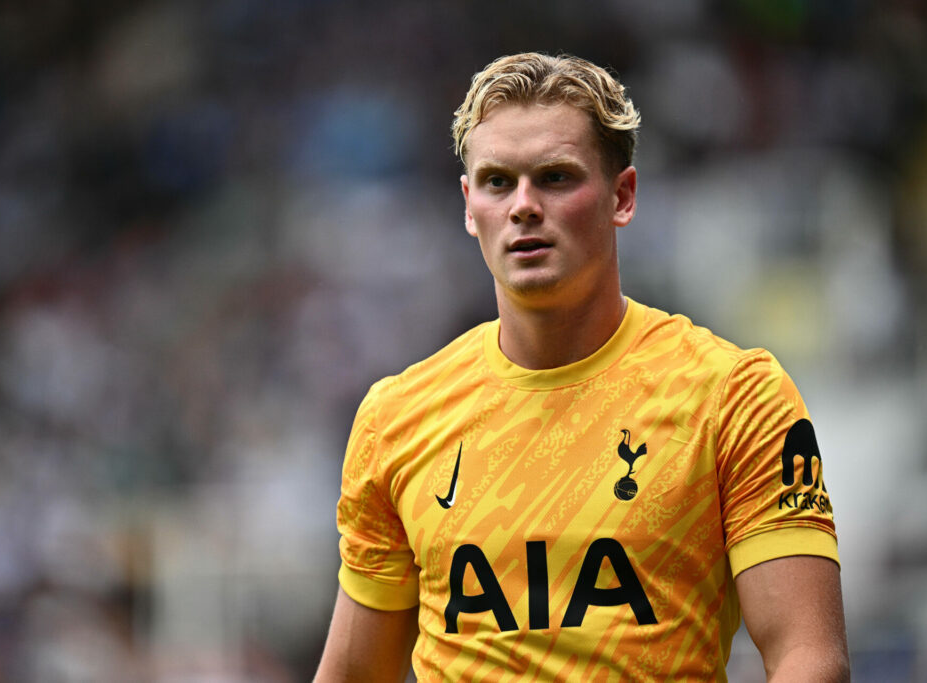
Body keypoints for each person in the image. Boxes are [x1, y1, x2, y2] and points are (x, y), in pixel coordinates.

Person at [314, 52, 849, 682]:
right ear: (468, 205)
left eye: (556, 178)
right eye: (496, 182)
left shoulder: (735, 397)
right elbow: (352, 674)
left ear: (621, 196)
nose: (522, 206)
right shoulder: (395, 419)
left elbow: (808, 657)